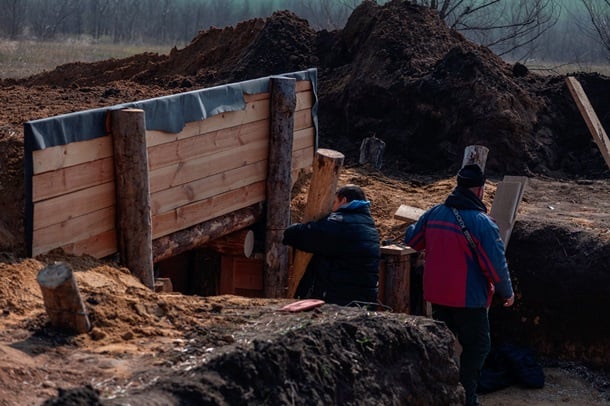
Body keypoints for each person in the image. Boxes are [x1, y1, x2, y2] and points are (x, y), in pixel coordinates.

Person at [404, 164, 515, 406]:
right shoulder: (482, 223)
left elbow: (412, 240)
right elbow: (495, 265)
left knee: (441, 344)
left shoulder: (434, 213)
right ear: (480, 190)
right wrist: (507, 292)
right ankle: (466, 397)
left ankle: (439, 393)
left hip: (436, 295)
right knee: (478, 347)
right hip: (469, 298)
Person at [282, 184, 381, 306]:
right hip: (361, 299)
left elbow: (304, 235)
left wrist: (287, 230)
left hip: (340, 300)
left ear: (343, 200)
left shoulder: (341, 223)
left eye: (334, 202)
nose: (332, 208)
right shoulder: (368, 224)